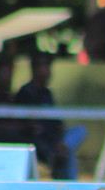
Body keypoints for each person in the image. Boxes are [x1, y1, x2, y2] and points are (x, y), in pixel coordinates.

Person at [14, 52, 84, 180]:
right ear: (35, 69)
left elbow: (57, 122)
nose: (48, 71)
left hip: (56, 140)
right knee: (67, 153)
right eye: (44, 66)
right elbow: (30, 125)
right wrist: (55, 143)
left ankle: (63, 149)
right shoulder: (26, 92)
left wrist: (60, 141)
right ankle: (69, 182)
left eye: (49, 67)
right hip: (40, 141)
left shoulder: (47, 93)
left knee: (79, 131)